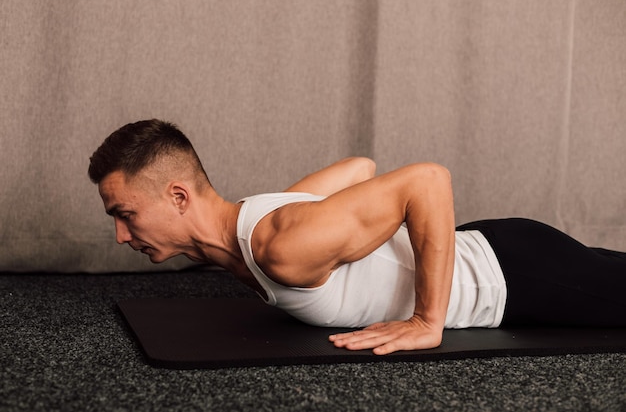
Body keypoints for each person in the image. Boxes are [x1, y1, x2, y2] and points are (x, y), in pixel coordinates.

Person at [88, 119, 626, 355]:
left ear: (179, 197)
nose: (119, 234)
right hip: (503, 249)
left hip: (515, 281)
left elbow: (428, 180)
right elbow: (359, 168)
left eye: (126, 214)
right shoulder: (256, 217)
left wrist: (425, 321)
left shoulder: (279, 244)